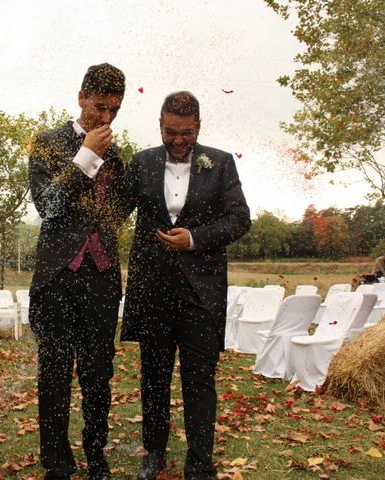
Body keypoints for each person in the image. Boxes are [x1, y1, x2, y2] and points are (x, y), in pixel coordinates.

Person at [121, 91, 251, 480]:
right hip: (154, 290)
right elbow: (115, 209)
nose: (178, 140)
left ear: (199, 127)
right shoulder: (141, 162)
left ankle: (199, 462)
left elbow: (240, 219)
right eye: (170, 132)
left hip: (201, 292)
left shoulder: (221, 162)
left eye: (186, 133)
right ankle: (154, 456)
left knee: (200, 380)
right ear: (160, 125)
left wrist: (193, 239)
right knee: (154, 378)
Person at [28, 63, 128, 480]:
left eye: (114, 110)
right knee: (54, 374)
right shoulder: (47, 144)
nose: (105, 118)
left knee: (98, 373)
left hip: (102, 279)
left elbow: (117, 214)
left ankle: (96, 454)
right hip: (56, 280)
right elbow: (48, 206)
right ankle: (56, 461)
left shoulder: (119, 157)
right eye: (99, 107)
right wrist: (87, 153)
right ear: (82, 96)